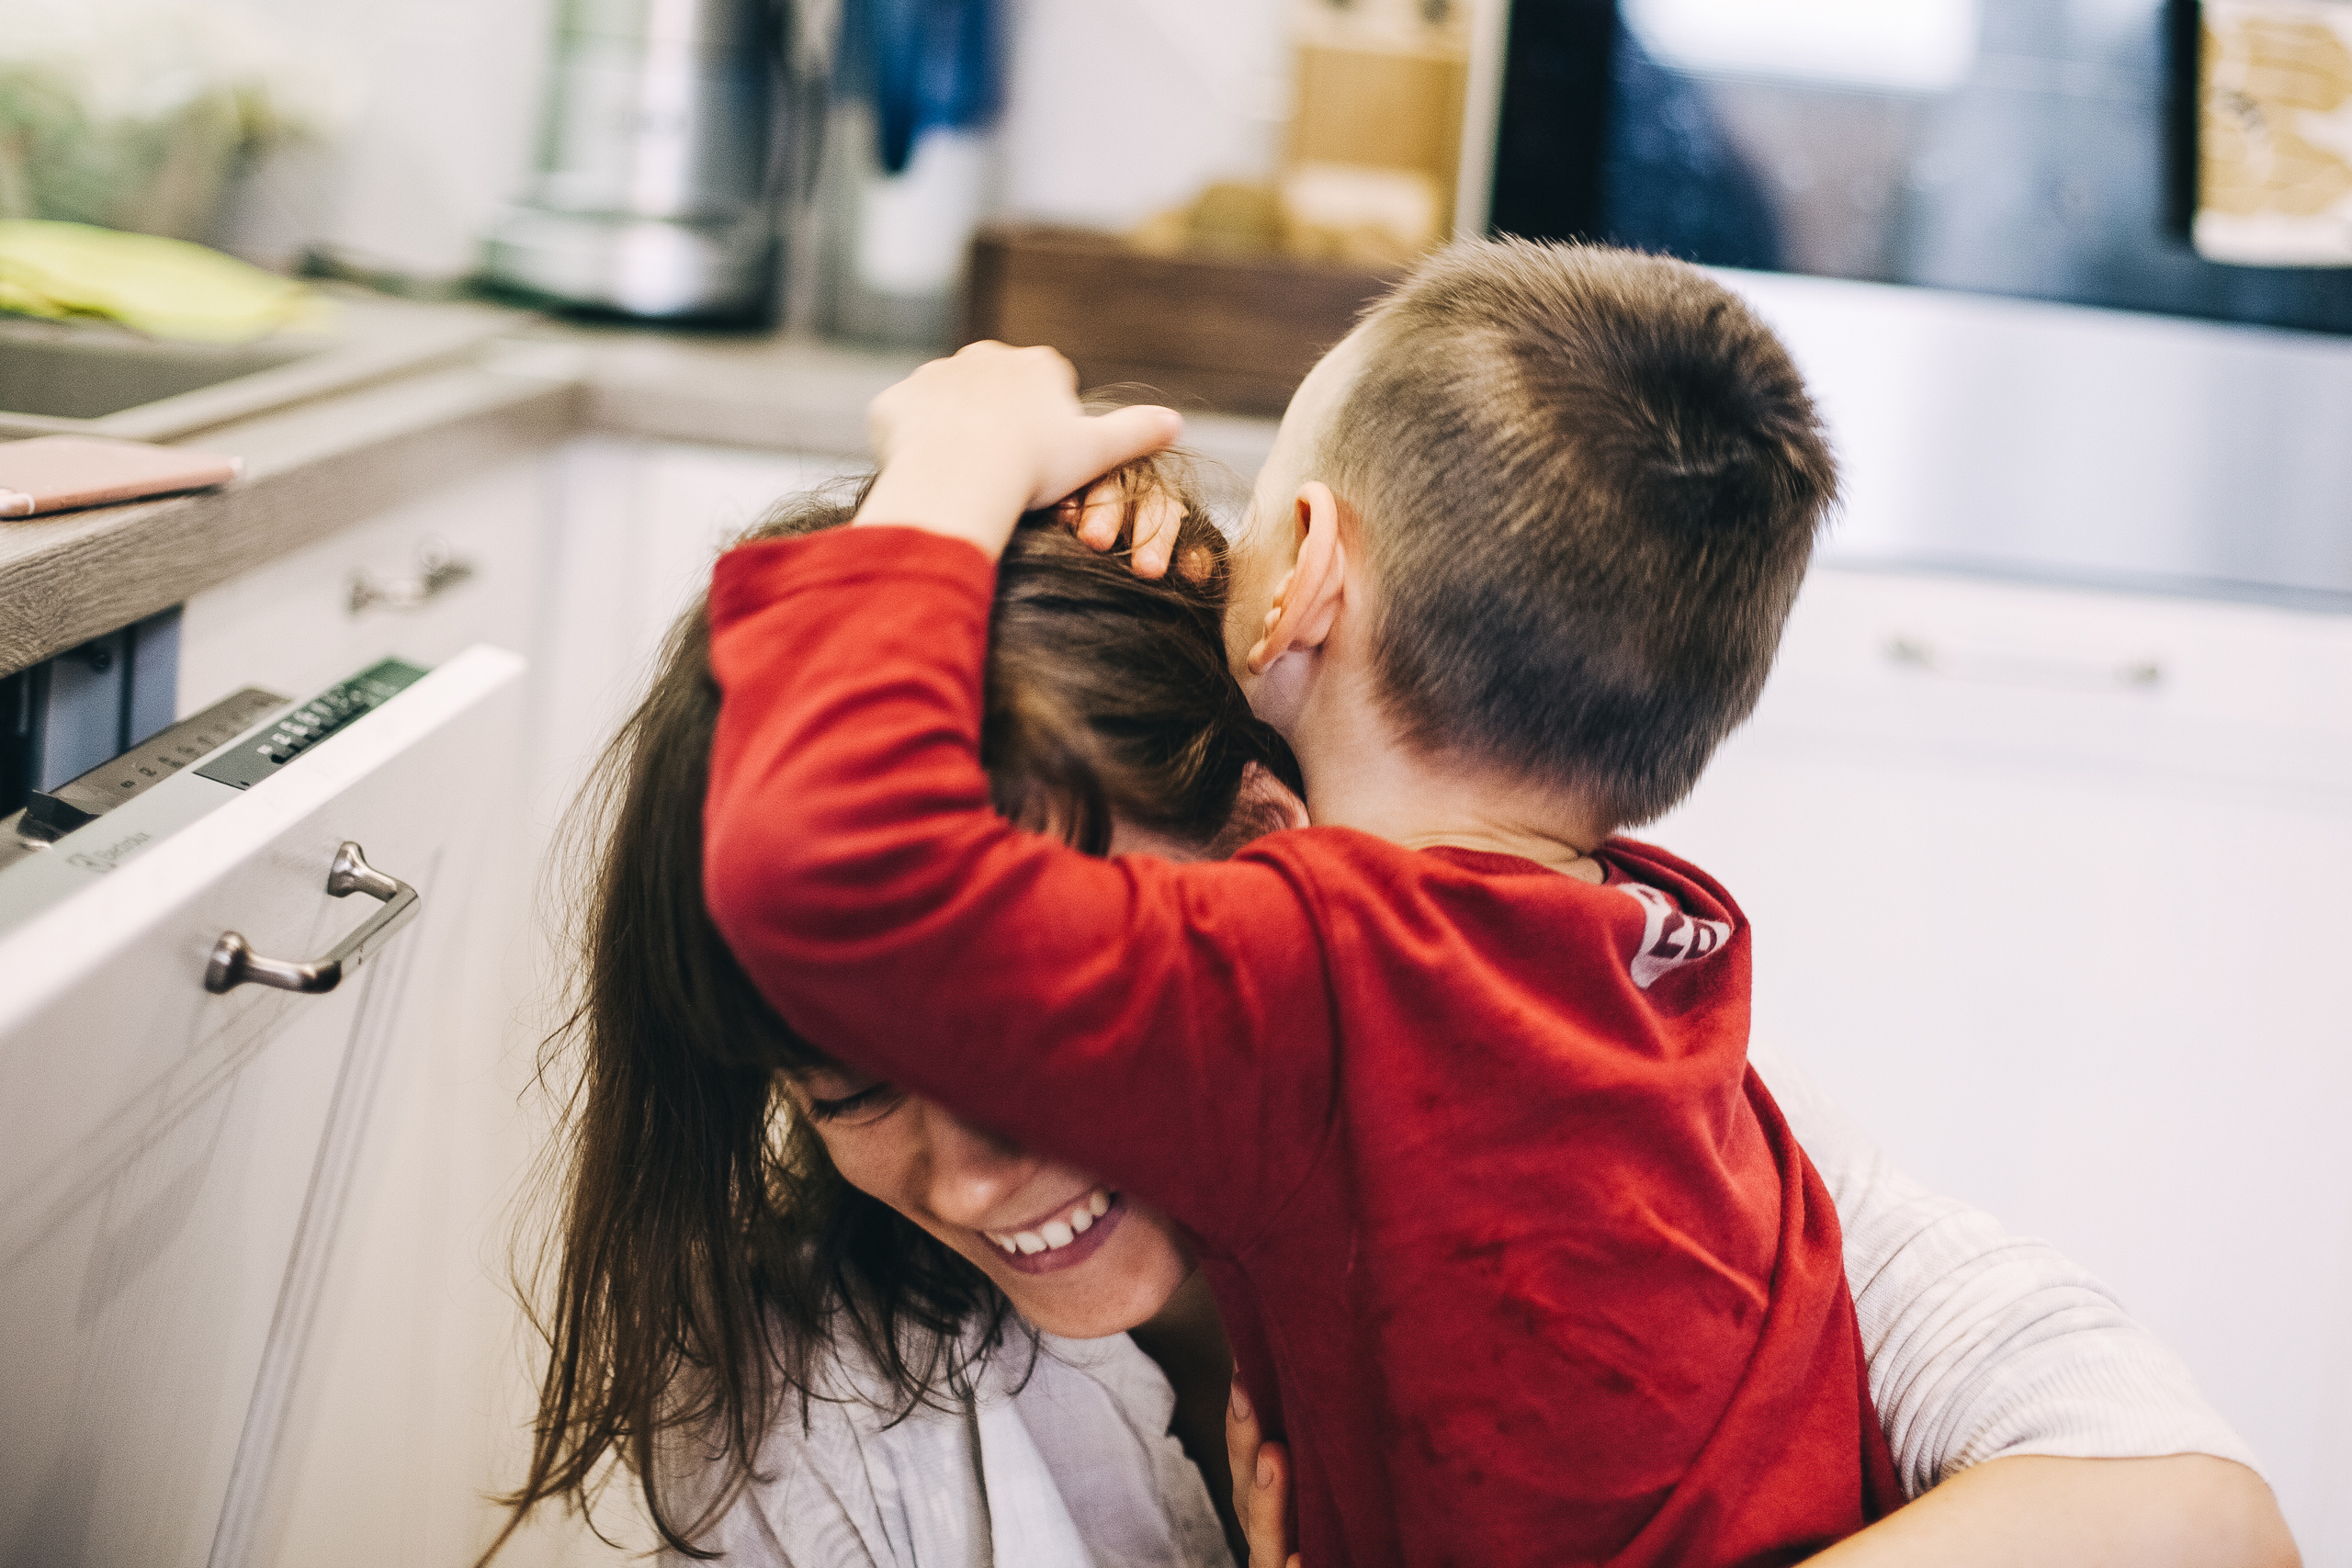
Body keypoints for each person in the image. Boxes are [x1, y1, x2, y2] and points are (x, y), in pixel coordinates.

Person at [498, 459, 2291, 1568]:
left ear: (1270, 860)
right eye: (848, 1094)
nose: (970, 1172)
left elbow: (2200, 1524)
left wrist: (961, 464)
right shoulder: (801, 1412)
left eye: (1033, 1031)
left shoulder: (1635, 1124)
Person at [687, 243, 1989, 1562]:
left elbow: (825, 866)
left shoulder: (1322, 974)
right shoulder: (1667, 966)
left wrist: (954, 465)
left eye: (1255, 516)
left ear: (1303, 574)